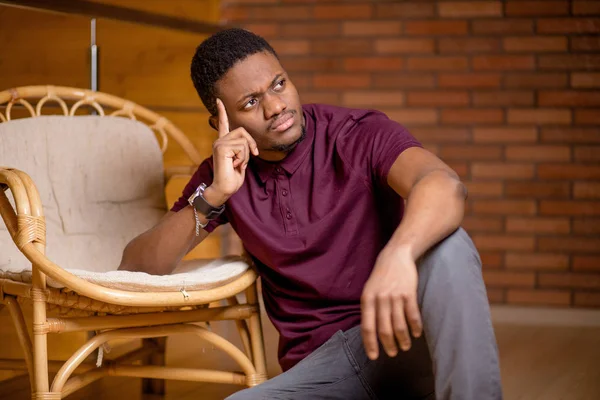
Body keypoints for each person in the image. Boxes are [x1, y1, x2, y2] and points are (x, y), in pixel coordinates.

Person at [118, 28, 503, 399]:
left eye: (279, 84)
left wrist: (398, 253)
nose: (276, 107)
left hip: (399, 338)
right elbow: (137, 266)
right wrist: (215, 194)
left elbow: (443, 184)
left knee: (450, 248)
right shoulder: (223, 173)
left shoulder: (355, 134)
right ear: (222, 122)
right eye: (250, 102)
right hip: (320, 371)